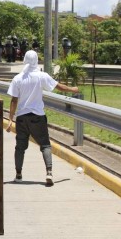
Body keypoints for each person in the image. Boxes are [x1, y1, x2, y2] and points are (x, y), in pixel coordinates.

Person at [6, 50, 79, 186]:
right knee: (45, 145)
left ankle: (18, 174)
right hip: (37, 117)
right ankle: (49, 172)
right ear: (36, 61)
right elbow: (59, 87)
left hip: (22, 118)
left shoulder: (18, 78)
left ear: (24, 60)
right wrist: (73, 89)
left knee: (20, 147)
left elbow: (14, 100)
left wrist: (10, 119)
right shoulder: (42, 76)